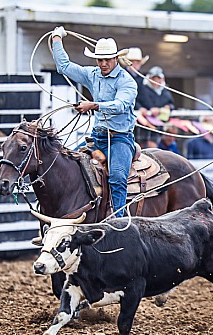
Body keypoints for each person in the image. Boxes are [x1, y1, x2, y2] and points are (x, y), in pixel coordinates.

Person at [51, 27, 138, 218]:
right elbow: (64, 66)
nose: (104, 63)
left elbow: (121, 105)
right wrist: (57, 39)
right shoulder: (93, 74)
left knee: (117, 177)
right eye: (100, 59)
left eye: (107, 59)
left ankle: (119, 221)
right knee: (68, 164)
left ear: (116, 59)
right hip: (98, 138)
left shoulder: (127, 81)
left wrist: (93, 105)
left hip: (119, 139)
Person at [135, 66, 175, 148]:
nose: (156, 81)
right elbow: (135, 101)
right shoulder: (142, 89)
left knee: (153, 145)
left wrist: (165, 108)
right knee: (140, 144)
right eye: (154, 78)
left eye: (158, 78)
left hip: (158, 122)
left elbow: (171, 105)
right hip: (143, 122)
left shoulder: (165, 91)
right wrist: (140, 108)